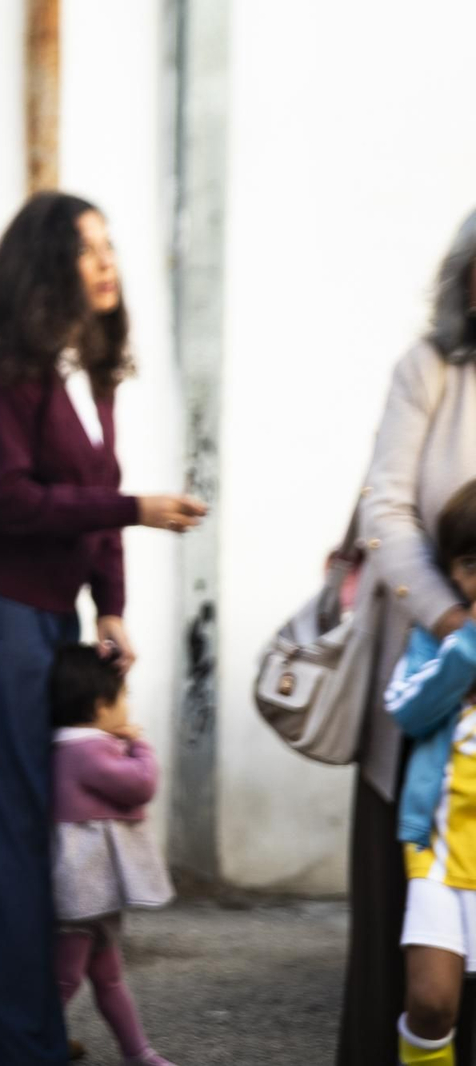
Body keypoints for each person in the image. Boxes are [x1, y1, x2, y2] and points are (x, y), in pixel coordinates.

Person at [0, 191, 206, 1065]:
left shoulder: (85, 373)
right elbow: (5, 501)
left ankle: (25, 1038)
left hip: (49, 623)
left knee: (41, 843)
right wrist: (137, 510)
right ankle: (9, 1047)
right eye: (88, 247)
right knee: (1, 846)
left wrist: (110, 604)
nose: (107, 261)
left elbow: (92, 502)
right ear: (46, 264)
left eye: (109, 245)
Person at [344, 206, 476, 1066]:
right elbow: (384, 511)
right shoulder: (430, 368)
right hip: (430, 693)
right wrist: (456, 623)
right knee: (418, 977)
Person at [379, 481, 476, 1066]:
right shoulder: (437, 639)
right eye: (470, 564)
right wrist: (466, 652)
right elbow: (406, 710)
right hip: (439, 846)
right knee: (432, 1002)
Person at [48, 646, 175, 1066]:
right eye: (124, 697)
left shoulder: (67, 747)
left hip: (92, 892)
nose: (128, 707)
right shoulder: (86, 750)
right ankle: (25, 1046)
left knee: (108, 976)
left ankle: (138, 1052)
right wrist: (140, 744)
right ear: (101, 706)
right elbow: (141, 785)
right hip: (85, 893)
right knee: (68, 977)